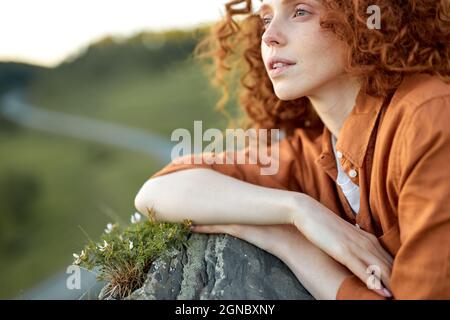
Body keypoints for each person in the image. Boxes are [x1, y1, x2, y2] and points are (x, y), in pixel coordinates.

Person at [135, 0, 450, 299]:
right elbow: (157, 191)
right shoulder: (310, 153)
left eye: (300, 11)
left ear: (363, 18)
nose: (270, 37)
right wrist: (295, 216)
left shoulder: (430, 117)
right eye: (266, 18)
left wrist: (294, 246)